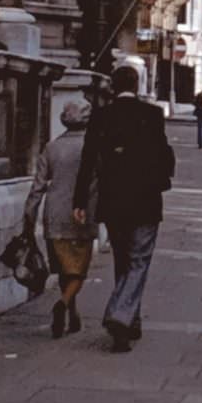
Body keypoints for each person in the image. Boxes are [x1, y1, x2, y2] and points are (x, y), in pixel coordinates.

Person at [73, 66, 175, 353]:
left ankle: (131, 320)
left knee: (123, 259)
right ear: (137, 83)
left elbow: (88, 159)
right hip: (145, 199)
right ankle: (120, 315)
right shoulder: (152, 115)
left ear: (112, 87)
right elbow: (164, 153)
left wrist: (80, 200)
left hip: (113, 200)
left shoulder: (102, 116)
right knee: (139, 260)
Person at [23, 100, 99, 339]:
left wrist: (29, 216)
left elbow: (37, 187)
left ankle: (73, 315)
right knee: (78, 270)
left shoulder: (51, 148)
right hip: (83, 215)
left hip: (54, 215)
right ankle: (63, 303)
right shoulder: (94, 147)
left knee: (66, 268)